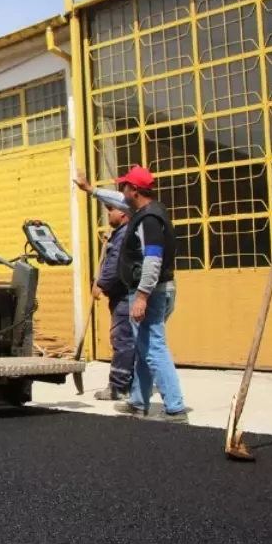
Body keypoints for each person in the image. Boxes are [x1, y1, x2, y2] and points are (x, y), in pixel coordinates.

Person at [75, 165, 188, 422]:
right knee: (144, 346)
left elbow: (153, 260)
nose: (121, 191)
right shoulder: (145, 211)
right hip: (154, 290)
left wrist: (142, 296)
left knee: (154, 347)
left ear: (134, 190)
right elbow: (115, 200)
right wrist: (90, 190)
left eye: (125, 186)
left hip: (151, 292)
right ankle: (138, 402)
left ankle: (175, 407)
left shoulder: (148, 220)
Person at [90, 203, 135, 401]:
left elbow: (115, 264)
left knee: (122, 339)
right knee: (132, 340)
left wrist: (100, 283)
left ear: (123, 213)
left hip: (124, 296)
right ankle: (135, 383)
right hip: (125, 295)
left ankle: (118, 386)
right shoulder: (122, 233)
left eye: (111, 210)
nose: (108, 213)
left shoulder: (124, 235)